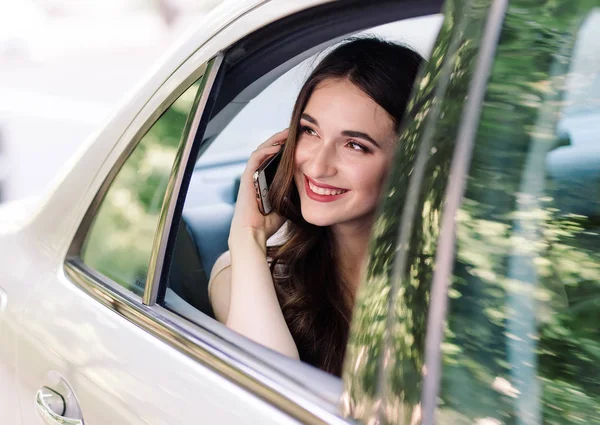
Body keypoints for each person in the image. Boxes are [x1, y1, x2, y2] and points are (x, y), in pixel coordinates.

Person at [209, 37, 424, 376]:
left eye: (355, 145)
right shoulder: (244, 272)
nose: (318, 166)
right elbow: (267, 393)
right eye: (309, 131)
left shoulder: (446, 274)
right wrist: (247, 236)